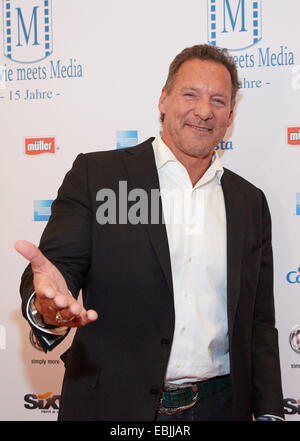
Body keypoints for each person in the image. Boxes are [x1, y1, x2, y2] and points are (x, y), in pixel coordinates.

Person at [16, 44, 284, 421]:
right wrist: (47, 308)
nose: (204, 111)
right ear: (163, 98)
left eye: (218, 100)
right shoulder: (100, 178)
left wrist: (270, 411)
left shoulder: (249, 202)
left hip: (220, 407)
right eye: (191, 94)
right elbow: (55, 276)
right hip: (114, 407)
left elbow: (259, 320)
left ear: (231, 115)